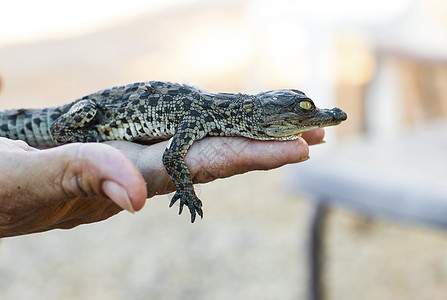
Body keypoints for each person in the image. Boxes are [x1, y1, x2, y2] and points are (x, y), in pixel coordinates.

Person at [0, 129, 325, 238]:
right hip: (86, 110)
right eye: (301, 110)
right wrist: (185, 188)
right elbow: (171, 158)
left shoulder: (210, 114)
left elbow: (170, 156)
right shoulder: (203, 113)